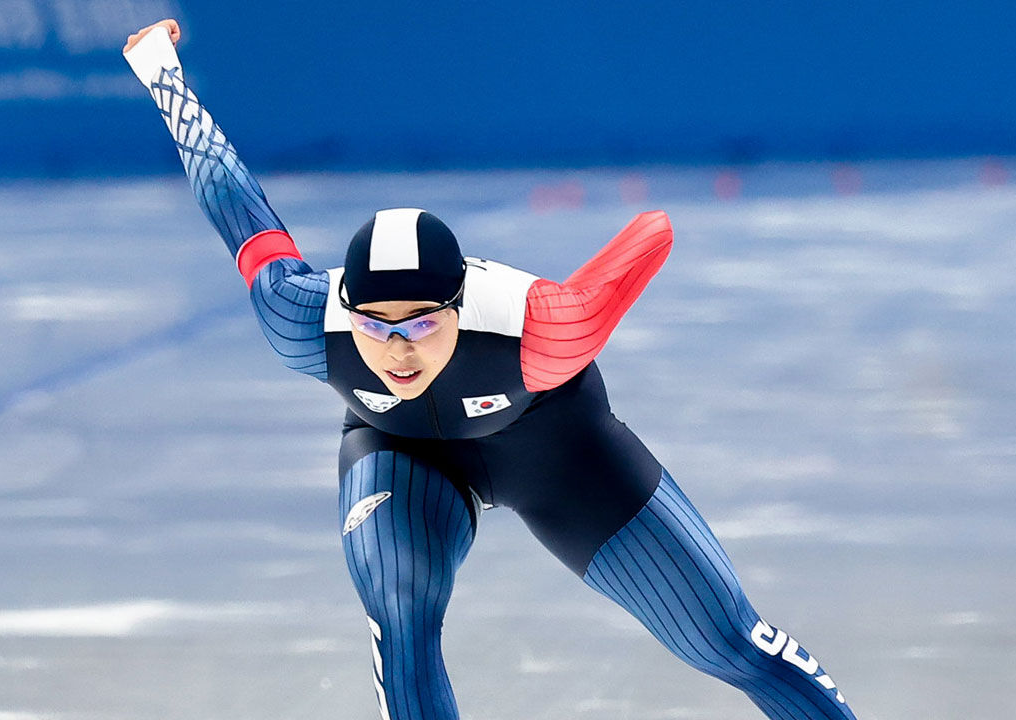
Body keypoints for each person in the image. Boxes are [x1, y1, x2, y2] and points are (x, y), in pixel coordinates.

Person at [123, 19, 859, 720]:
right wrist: (162, 74)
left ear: (460, 306)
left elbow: (646, 238)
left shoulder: (538, 329)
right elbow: (233, 201)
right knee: (400, 610)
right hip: (402, 452)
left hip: (558, 450)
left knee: (727, 641)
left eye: (420, 323)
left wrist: (663, 214)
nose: (398, 349)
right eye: (376, 325)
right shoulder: (302, 321)